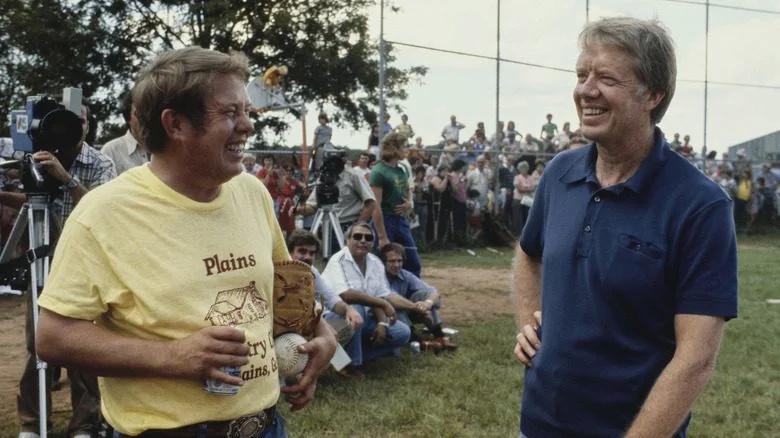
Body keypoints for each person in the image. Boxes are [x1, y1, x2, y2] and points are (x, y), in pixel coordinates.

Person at [34, 46, 336, 437]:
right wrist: (171, 356)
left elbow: (281, 286)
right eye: (230, 112)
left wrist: (320, 332)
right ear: (175, 124)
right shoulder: (104, 212)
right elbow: (54, 337)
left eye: (246, 110)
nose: (248, 125)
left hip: (266, 425)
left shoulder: (251, 193)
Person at [512, 18, 737, 438]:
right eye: (582, 75)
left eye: (607, 78)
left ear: (652, 94)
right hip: (539, 424)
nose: (586, 90)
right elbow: (529, 253)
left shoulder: (700, 205)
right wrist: (528, 320)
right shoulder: (559, 173)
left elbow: (696, 360)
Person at [0, 98, 116, 438]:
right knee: (37, 343)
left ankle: (85, 424)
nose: (66, 127)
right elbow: (35, 202)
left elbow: (103, 211)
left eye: (78, 119)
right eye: (58, 119)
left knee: (83, 345)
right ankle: (32, 423)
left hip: (85, 264)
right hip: (44, 259)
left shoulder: (100, 163)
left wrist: (66, 178)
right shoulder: (37, 155)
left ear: (87, 125)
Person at [321, 223, 411, 375]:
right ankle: (351, 365)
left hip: (363, 318)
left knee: (402, 332)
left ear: (373, 243)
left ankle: (345, 359)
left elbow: (379, 294)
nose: (363, 240)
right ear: (347, 240)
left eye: (368, 238)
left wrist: (382, 323)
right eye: (357, 236)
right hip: (332, 319)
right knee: (356, 308)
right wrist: (383, 304)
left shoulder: (375, 262)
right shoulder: (338, 260)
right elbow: (346, 295)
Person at [286, 229, 363, 348]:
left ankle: (351, 359)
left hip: (308, 325)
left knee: (351, 321)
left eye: (311, 253)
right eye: (302, 251)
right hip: (283, 330)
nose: (307, 257)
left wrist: (349, 310)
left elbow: (330, 298)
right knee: (327, 335)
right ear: (290, 252)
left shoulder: (311, 271)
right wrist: (323, 328)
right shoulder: (280, 271)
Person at [380, 243, 457, 352]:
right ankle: (418, 342)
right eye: (392, 261)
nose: (396, 265)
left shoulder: (405, 274)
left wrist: (427, 304)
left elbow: (434, 292)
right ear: (384, 262)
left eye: (399, 261)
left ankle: (439, 336)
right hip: (383, 315)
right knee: (395, 308)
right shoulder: (379, 277)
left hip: (409, 311)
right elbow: (391, 298)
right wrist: (417, 307)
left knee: (423, 295)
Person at [369, 132, 422, 277]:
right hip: (386, 220)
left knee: (413, 262)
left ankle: (411, 289)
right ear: (394, 148)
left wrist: (409, 202)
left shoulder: (401, 169)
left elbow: (408, 188)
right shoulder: (378, 172)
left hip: (401, 220)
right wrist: (382, 236)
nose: (407, 149)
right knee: (382, 263)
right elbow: (375, 206)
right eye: (404, 146)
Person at [101, 92, 151, 175]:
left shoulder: (166, 148)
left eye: (149, 111)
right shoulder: (111, 151)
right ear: (128, 118)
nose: (147, 117)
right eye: (139, 113)